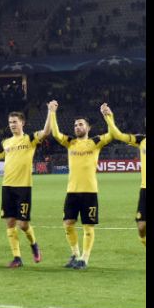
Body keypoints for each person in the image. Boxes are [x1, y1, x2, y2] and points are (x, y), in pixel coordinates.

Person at [0, 110, 50, 268]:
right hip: (7, 187)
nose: (12, 124)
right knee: (10, 223)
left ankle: (34, 244)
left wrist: (50, 112)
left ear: (22, 123)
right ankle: (17, 258)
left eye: (15, 121)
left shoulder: (30, 139)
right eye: (10, 122)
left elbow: (46, 131)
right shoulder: (5, 143)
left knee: (23, 225)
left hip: (24, 187)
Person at [48, 101, 113, 270]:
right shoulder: (70, 142)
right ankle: (75, 254)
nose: (77, 127)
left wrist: (108, 115)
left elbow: (113, 133)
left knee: (88, 227)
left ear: (88, 128)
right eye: (75, 125)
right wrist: (52, 112)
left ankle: (84, 258)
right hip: (72, 191)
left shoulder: (95, 142)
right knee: (68, 223)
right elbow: (55, 133)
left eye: (81, 124)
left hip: (90, 191)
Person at [101, 104, 146, 248]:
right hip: (145, 190)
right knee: (141, 227)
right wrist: (108, 116)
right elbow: (119, 135)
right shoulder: (141, 140)